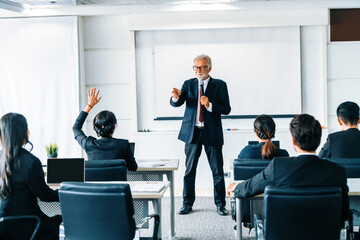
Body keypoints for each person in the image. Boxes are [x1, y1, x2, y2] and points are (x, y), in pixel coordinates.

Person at [229, 114, 349, 225]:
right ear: (319, 140)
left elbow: (251, 186)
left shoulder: (279, 167)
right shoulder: (338, 171)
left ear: (293, 140)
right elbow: (343, 215)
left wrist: (235, 187)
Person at [170, 54, 231, 216]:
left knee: (217, 171)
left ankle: (220, 204)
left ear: (209, 68)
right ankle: (187, 203)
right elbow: (178, 102)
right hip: (192, 132)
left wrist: (209, 105)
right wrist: (175, 97)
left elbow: (226, 109)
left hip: (212, 133)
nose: (198, 70)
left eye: (202, 67)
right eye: (195, 67)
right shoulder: (188, 84)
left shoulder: (219, 85)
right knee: (189, 171)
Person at [0, 113, 62, 240]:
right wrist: (65, 193)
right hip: (27, 225)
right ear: (23, 132)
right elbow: (45, 196)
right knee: (59, 219)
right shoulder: (31, 162)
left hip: (3, 225)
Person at [73, 87, 137, 171]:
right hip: (117, 185)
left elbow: (76, 128)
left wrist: (89, 106)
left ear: (95, 128)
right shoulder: (123, 144)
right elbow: (133, 167)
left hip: (95, 185)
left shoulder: (88, 144)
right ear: (114, 127)